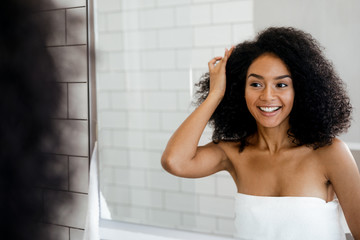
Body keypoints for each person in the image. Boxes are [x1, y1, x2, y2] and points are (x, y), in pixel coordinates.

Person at [161, 27, 360, 239]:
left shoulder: (329, 153)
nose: (267, 96)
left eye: (281, 84)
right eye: (255, 84)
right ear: (239, 90)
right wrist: (216, 94)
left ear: (300, 90)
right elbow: (175, 161)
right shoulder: (234, 153)